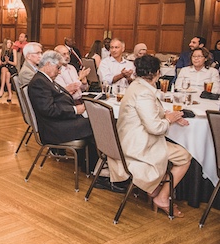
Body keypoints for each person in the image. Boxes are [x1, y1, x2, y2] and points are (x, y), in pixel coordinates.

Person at [112, 55, 191, 218]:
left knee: (174, 150)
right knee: (185, 156)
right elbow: (155, 128)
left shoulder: (136, 86)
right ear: (157, 72)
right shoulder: (144, 93)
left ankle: (154, 189)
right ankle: (162, 197)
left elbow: (146, 113)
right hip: (139, 146)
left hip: (127, 140)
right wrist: (168, 120)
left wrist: (169, 115)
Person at [27, 50, 93, 146]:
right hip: (53, 129)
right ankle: (95, 159)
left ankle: (89, 159)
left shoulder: (45, 79)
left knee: (95, 122)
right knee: (95, 124)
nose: (59, 72)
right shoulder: (39, 82)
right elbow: (48, 109)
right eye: (58, 68)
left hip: (60, 121)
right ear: (48, 64)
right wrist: (74, 110)